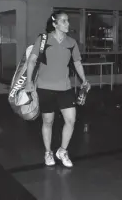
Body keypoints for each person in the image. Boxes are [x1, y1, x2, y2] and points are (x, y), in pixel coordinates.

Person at [26, 10, 90, 168]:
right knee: (48, 121)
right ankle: (48, 152)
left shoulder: (71, 43)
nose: (67, 24)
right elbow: (32, 61)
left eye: (67, 21)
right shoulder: (43, 39)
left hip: (65, 88)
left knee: (71, 120)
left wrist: (84, 79)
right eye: (63, 21)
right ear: (54, 24)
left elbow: (77, 63)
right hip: (45, 87)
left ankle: (62, 151)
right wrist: (28, 82)